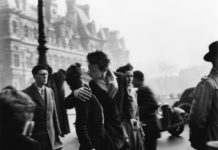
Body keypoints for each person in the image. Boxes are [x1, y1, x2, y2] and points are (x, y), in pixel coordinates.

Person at [65, 63, 114, 150]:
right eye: (85, 72)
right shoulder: (84, 94)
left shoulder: (86, 89)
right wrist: (90, 147)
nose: (88, 72)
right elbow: (80, 126)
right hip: (95, 142)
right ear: (81, 78)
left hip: (99, 138)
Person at [23, 64, 61, 150]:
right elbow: (25, 119)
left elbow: (54, 113)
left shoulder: (50, 91)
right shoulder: (26, 93)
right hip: (35, 136)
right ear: (34, 76)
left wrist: (57, 133)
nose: (45, 76)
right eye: (42, 74)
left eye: (46, 74)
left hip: (50, 135)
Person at [189, 41, 218, 150]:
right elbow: (198, 119)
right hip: (212, 142)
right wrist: (198, 141)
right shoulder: (208, 84)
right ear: (215, 59)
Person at [116, 63, 145, 150]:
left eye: (131, 76)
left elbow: (136, 113)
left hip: (135, 128)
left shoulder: (133, 92)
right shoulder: (117, 93)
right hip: (124, 129)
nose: (130, 79)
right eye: (127, 76)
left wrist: (141, 129)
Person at [133, 70, 160, 150]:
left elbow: (153, 105)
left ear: (137, 79)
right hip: (150, 128)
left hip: (150, 128)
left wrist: (136, 110)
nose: (132, 81)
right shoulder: (142, 89)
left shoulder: (143, 90)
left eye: (133, 78)